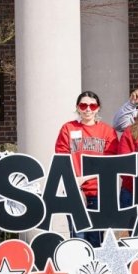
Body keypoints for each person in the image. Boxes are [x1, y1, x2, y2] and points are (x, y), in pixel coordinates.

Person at [55, 91, 119, 248]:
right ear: (78, 108)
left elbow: (110, 163)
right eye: (83, 105)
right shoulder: (68, 128)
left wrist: (86, 180)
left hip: (100, 192)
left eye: (92, 105)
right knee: (78, 239)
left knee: (96, 238)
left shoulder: (107, 131)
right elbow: (62, 158)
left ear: (98, 108)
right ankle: (78, 271)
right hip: (75, 191)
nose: (88, 109)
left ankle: (94, 272)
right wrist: (75, 184)